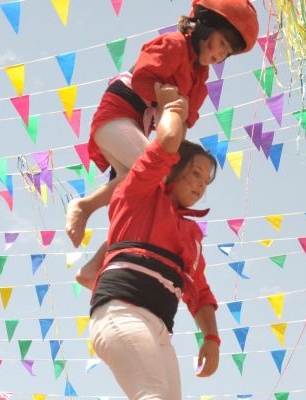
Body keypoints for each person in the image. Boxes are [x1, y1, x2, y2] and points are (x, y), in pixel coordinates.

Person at [67, 0, 259, 289]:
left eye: (227, 52)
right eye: (220, 42)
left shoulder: (200, 80)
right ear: (203, 27)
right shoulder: (173, 45)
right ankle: (84, 206)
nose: (219, 53)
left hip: (138, 125)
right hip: (117, 115)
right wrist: (168, 102)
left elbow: (183, 122)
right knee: (153, 177)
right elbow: (144, 78)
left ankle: (94, 266)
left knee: (150, 194)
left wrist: (176, 118)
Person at [89, 82, 221, 399]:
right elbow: (161, 151)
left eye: (206, 181)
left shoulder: (191, 236)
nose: (201, 186)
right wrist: (172, 109)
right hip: (121, 313)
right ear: (173, 169)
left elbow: (199, 291)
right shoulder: (139, 191)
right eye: (196, 174)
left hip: (161, 331)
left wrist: (211, 339)